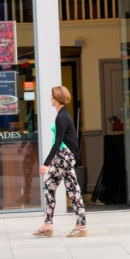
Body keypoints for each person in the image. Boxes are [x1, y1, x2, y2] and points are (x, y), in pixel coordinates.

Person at [32, 86, 87, 238]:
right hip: (61, 157)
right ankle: (47, 224)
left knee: (73, 190)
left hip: (65, 157)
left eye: (51, 96)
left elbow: (58, 142)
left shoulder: (62, 116)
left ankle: (81, 224)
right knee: (49, 185)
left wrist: (45, 163)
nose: (50, 98)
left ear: (56, 97)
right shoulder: (61, 114)